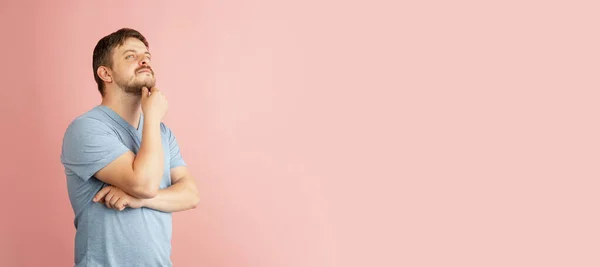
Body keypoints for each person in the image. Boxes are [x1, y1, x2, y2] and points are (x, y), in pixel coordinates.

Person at [60, 28, 200, 267]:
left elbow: (191, 195)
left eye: (146, 55)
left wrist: (141, 201)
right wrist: (153, 116)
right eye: (130, 56)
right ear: (106, 73)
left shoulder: (162, 133)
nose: (144, 60)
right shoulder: (86, 129)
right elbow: (143, 184)